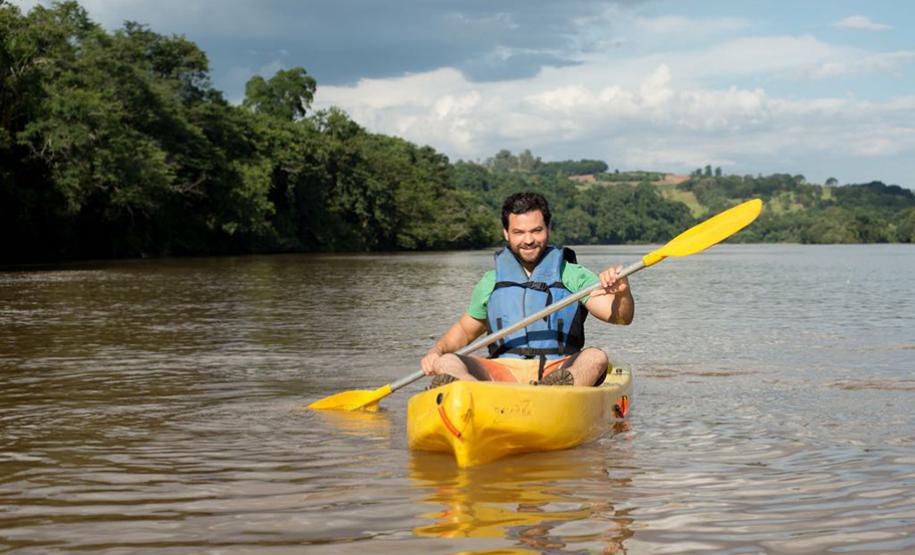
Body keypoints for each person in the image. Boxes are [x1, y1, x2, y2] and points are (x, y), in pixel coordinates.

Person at [420, 192, 634, 387]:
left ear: (548, 229)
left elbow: (619, 317)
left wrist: (622, 293)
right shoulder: (491, 281)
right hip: (502, 373)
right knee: (447, 362)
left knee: (596, 358)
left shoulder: (572, 274)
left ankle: (556, 392)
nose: (529, 240)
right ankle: (473, 393)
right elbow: (466, 331)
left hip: (558, 367)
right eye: (519, 232)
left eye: (536, 231)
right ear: (506, 233)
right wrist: (436, 351)